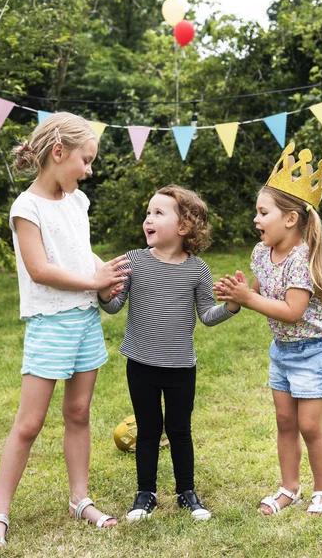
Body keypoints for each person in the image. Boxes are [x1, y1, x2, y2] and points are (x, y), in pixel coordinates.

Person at [0, 112, 130, 549]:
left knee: (79, 413)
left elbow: (79, 253)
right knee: (29, 423)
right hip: (51, 325)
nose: (89, 170)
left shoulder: (77, 201)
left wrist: (108, 268)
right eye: (85, 160)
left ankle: (79, 500)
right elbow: (41, 269)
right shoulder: (26, 207)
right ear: (58, 152)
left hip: (85, 321)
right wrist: (95, 280)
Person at [98, 184, 240, 522]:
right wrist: (105, 292)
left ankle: (186, 492)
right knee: (148, 430)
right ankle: (144, 494)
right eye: (148, 213)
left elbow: (206, 316)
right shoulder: (133, 261)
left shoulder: (197, 270)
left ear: (184, 227)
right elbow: (116, 306)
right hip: (140, 364)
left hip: (180, 368)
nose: (148, 219)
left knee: (179, 430)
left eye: (158, 213)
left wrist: (232, 306)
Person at [214, 143, 322, 517]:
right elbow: (259, 289)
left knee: (309, 426)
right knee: (285, 422)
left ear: (289, 219)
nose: (256, 219)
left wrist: (249, 300)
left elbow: (292, 311)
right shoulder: (260, 252)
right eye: (257, 212)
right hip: (282, 351)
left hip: (315, 350)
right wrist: (238, 294)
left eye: (263, 212)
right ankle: (289, 488)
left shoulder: (302, 259)